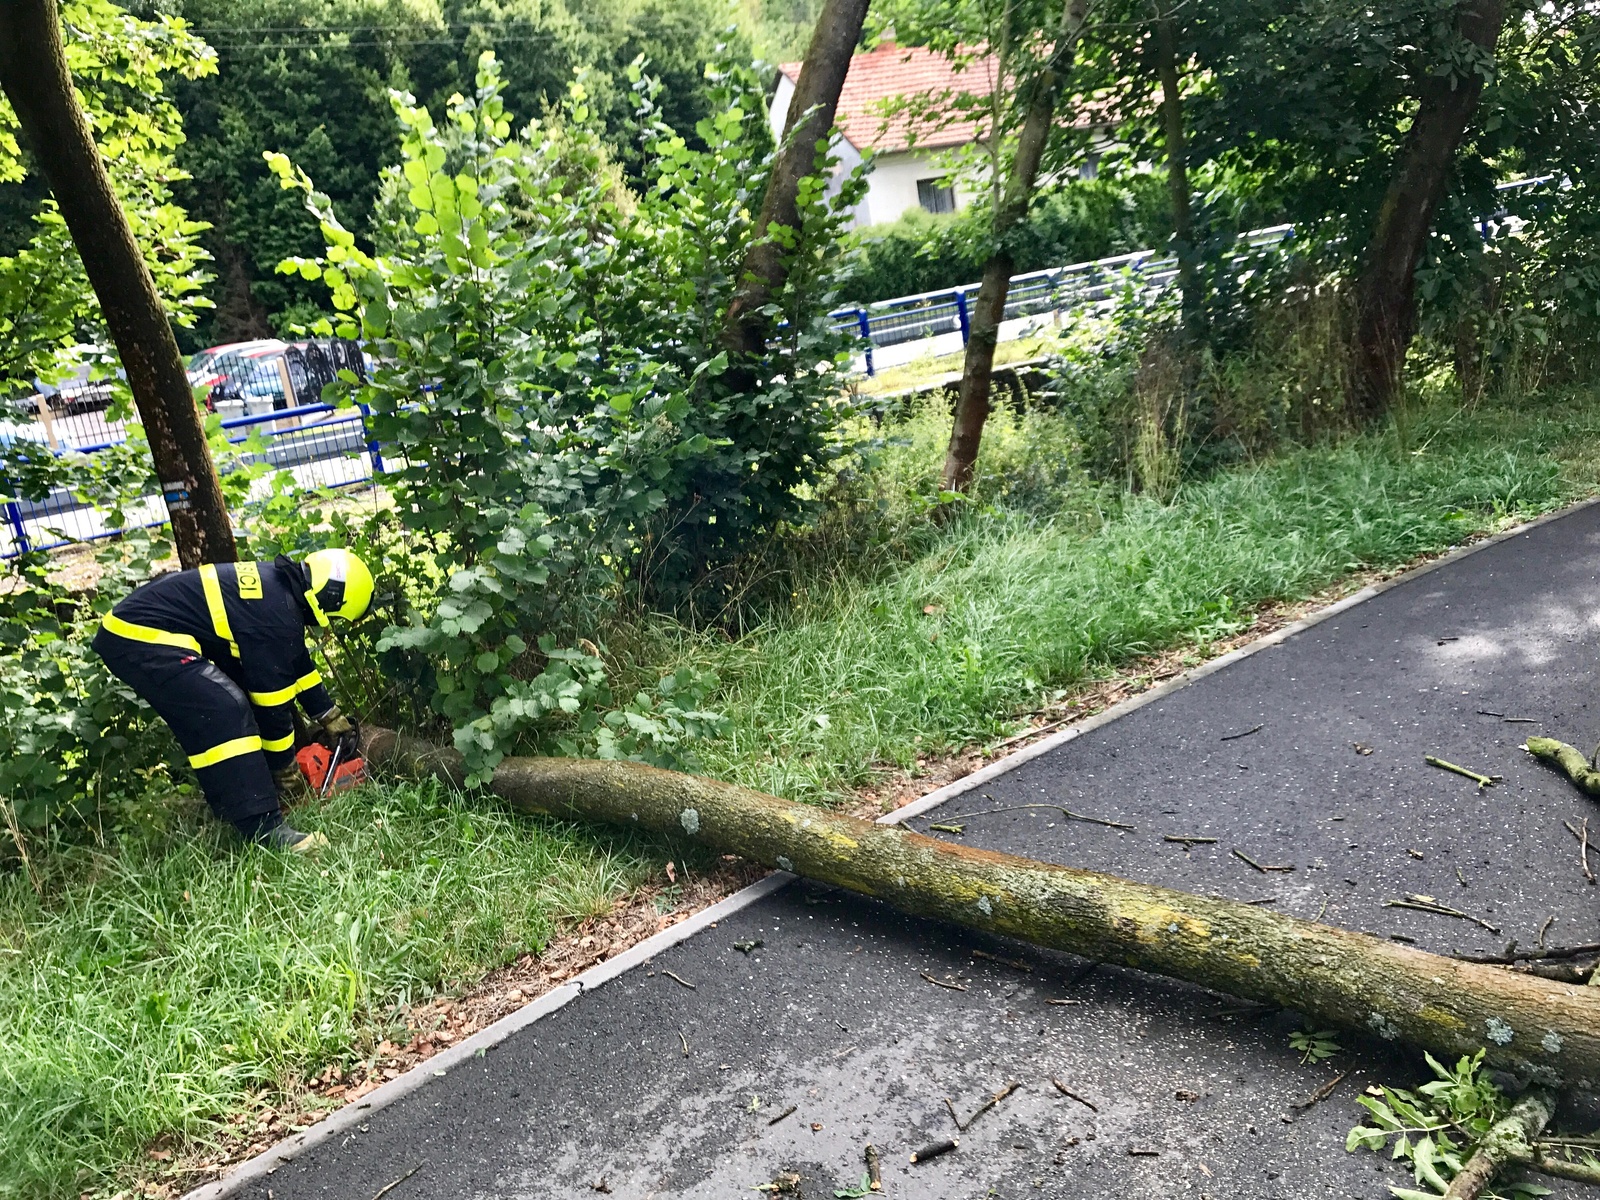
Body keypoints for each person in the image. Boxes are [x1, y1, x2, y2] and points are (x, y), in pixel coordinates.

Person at [92, 548, 374, 851]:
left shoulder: (278, 593)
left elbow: (294, 660)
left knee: (216, 711)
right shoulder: (275, 619)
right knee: (226, 709)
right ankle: (265, 828)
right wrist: (285, 770)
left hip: (136, 629)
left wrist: (328, 715)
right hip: (139, 637)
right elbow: (272, 710)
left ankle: (233, 808)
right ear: (333, 599)